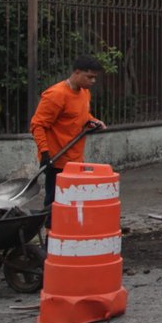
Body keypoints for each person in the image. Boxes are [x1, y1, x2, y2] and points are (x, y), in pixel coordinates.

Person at [30, 56, 107, 213]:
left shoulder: (84, 93)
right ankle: (51, 235)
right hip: (56, 161)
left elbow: (82, 116)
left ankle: (70, 235)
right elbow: (37, 125)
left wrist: (93, 121)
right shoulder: (56, 95)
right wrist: (44, 154)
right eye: (89, 77)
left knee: (74, 204)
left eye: (95, 78)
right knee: (54, 205)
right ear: (77, 72)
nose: (93, 81)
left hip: (76, 160)